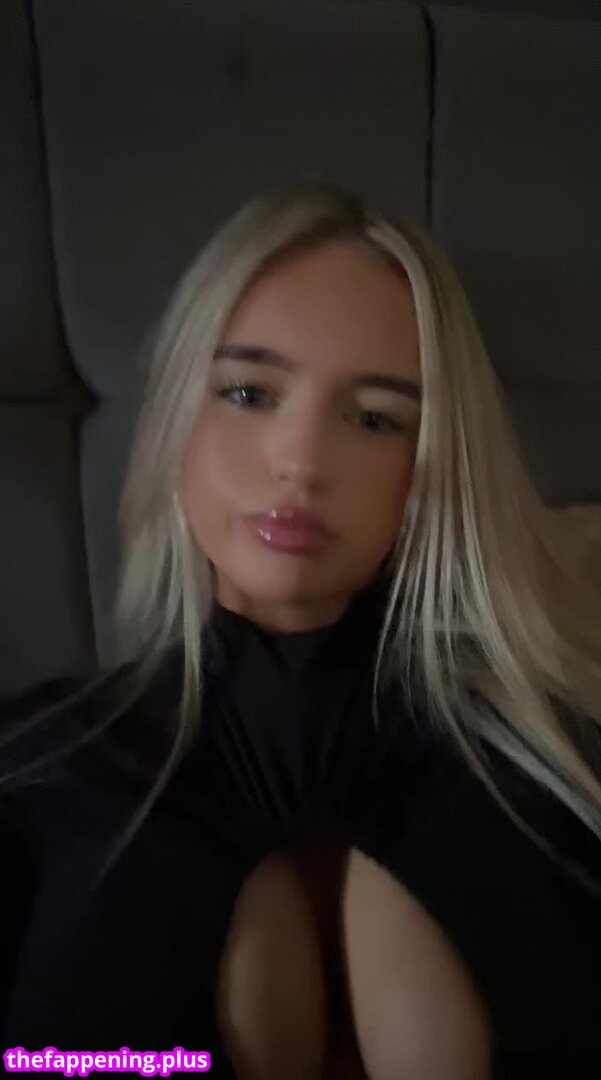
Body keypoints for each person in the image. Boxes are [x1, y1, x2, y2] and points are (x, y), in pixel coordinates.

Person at [1, 181, 600, 1080]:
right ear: (175, 422)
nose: (302, 461)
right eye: (248, 392)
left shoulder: (554, 774)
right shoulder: (38, 771)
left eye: (374, 419)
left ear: (434, 466)